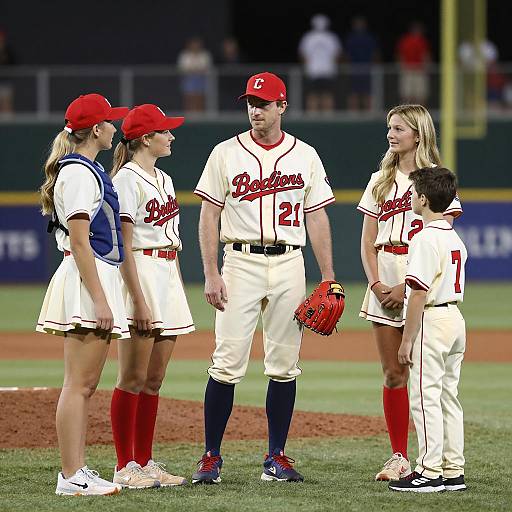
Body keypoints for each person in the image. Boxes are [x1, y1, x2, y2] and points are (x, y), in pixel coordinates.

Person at [192, 71, 336, 484]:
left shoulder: (305, 155)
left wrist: (327, 277)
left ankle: (277, 456)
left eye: (265, 103)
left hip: (290, 261)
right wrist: (211, 272)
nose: (256, 109)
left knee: (285, 365)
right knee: (226, 362)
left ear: (282, 106)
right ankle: (210, 457)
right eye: (251, 103)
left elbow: (317, 215)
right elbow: (209, 214)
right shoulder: (225, 153)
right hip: (239, 261)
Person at [357, 104, 463, 481]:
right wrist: (376, 285)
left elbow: (443, 236)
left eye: (399, 128)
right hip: (384, 273)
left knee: (427, 377)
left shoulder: (436, 180)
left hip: (421, 279)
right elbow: (367, 241)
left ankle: (431, 460)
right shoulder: (380, 180)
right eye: (389, 127)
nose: (391, 134)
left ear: (417, 134)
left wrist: (406, 287)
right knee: (393, 373)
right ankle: (399, 456)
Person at [37, 93, 129, 496]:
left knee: (84, 384)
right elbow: (79, 241)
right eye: (110, 121)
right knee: (79, 384)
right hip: (87, 278)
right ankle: (71, 474)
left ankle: (75, 471)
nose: (115, 127)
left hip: (92, 276)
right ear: (95, 129)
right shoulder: (78, 173)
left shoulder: (84, 168)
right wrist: (102, 299)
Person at [110, 104, 194, 488]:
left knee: (154, 380)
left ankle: (144, 461)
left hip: (166, 274)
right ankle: (124, 465)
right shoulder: (127, 178)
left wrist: (174, 288)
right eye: (165, 131)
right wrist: (138, 300)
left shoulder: (164, 177)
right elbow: (122, 246)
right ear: (146, 138)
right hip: (140, 274)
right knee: (131, 378)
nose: (171, 136)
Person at [389, 167, 467, 493]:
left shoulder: (423, 237)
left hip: (432, 321)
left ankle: (429, 471)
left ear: (423, 199)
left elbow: (418, 293)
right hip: (455, 320)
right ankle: (453, 471)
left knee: (424, 398)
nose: (409, 197)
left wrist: (406, 340)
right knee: (449, 397)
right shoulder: (454, 236)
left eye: (412, 193)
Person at [298, 14, 342, 112]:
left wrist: (307, 68)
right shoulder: (331, 37)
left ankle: (313, 116)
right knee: (326, 95)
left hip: (314, 71)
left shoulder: (309, 37)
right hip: (327, 71)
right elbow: (337, 55)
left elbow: (303, 55)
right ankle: (326, 116)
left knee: (314, 95)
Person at [344, 16, 379, 111]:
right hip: (354, 69)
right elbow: (346, 55)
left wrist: (374, 66)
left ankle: (369, 113)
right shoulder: (351, 38)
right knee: (354, 93)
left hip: (367, 69)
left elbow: (375, 54)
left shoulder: (369, 37)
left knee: (367, 93)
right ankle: (353, 114)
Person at [396, 22, 431, 105]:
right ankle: (406, 116)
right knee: (407, 96)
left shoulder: (422, 41)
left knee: (420, 95)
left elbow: (425, 56)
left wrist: (426, 67)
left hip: (419, 70)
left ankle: (419, 116)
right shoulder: (405, 40)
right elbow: (400, 56)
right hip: (408, 70)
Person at [176, 37, 212, 112]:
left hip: (201, 79)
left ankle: (200, 114)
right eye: (193, 44)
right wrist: (194, 70)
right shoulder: (184, 55)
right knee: (189, 98)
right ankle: (189, 114)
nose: (195, 46)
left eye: (197, 44)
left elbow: (206, 67)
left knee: (200, 98)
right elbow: (182, 68)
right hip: (188, 79)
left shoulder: (205, 55)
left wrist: (196, 70)